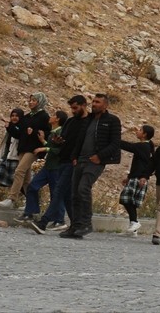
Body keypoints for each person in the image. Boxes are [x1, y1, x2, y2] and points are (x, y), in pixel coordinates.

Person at [61, 93, 121, 239]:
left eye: (98, 102)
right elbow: (79, 139)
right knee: (74, 194)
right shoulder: (87, 120)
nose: (94, 104)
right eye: (93, 102)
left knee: (83, 188)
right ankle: (75, 226)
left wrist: (99, 156)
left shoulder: (112, 120)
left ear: (105, 105)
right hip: (80, 160)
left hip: (95, 162)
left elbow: (115, 143)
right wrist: (74, 157)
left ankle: (86, 223)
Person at [28, 96, 88, 233]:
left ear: (84, 105)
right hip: (62, 160)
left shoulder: (89, 123)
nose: (73, 111)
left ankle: (43, 222)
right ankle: (77, 224)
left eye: (76, 108)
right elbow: (62, 141)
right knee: (66, 195)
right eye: (72, 108)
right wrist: (57, 141)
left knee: (59, 191)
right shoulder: (71, 122)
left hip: (74, 162)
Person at [0, 92, 50, 209]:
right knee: (26, 179)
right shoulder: (27, 117)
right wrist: (9, 127)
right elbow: (18, 134)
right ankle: (32, 204)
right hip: (23, 148)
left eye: (34, 100)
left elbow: (47, 133)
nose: (31, 102)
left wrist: (35, 131)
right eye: (30, 100)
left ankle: (11, 199)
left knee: (19, 171)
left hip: (33, 149)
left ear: (40, 102)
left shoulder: (44, 116)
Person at [21, 109, 67, 227]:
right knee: (32, 186)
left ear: (57, 119)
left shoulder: (61, 132)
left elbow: (60, 150)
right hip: (48, 167)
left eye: (53, 115)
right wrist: (43, 141)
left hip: (56, 168)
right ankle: (31, 212)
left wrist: (43, 149)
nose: (50, 117)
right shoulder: (53, 133)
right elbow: (52, 147)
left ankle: (59, 220)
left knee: (56, 194)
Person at [118, 124, 155, 235]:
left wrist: (115, 136)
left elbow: (126, 145)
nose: (137, 131)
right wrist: (129, 177)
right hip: (137, 177)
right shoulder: (147, 146)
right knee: (131, 202)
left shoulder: (143, 146)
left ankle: (134, 222)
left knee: (126, 199)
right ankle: (133, 227)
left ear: (144, 134)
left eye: (140, 130)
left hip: (138, 178)